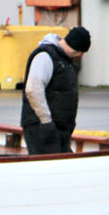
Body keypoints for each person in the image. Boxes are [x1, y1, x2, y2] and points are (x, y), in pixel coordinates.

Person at [20, 26, 90, 155]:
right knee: (49, 164)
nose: (81, 56)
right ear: (77, 47)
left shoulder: (64, 60)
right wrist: (46, 121)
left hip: (59, 128)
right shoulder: (45, 56)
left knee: (63, 162)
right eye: (82, 52)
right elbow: (33, 89)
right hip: (42, 127)